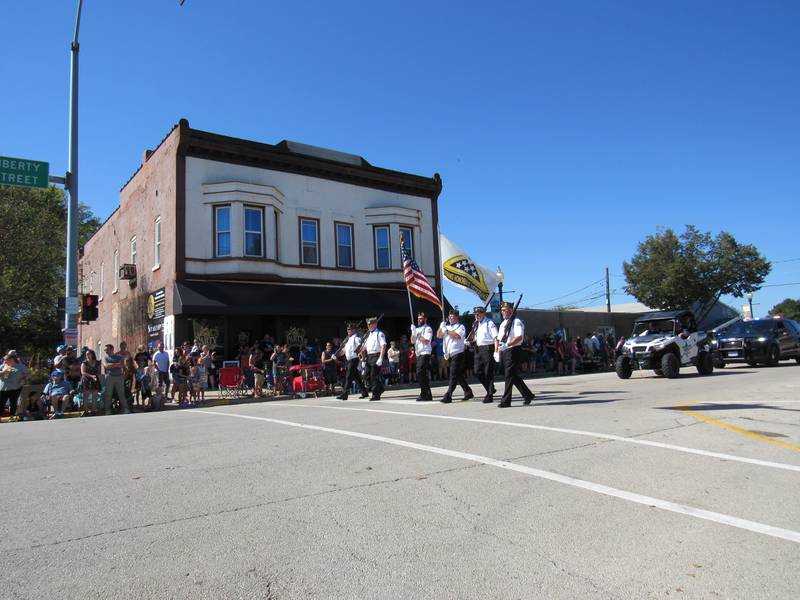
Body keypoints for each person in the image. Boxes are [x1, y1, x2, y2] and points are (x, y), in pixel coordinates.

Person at [495, 302, 535, 408]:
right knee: (512, 375)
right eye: (502, 310)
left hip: (513, 350)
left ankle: (506, 401)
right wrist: (497, 350)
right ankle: (528, 395)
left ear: (511, 310)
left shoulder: (516, 321)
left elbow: (519, 337)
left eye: (505, 309)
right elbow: (499, 339)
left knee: (509, 375)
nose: (502, 312)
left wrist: (507, 344)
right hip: (505, 351)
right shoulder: (503, 323)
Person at [437, 309, 474, 403]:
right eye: (449, 316)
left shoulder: (460, 326)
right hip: (449, 354)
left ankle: (448, 395)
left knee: (453, 374)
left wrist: (447, 330)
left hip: (458, 353)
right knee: (458, 375)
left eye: (452, 316)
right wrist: (441, 327)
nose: (450, 318)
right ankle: (468, 391)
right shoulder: (447, 326)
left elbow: (457, 336)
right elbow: (439, 336)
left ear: (457, 317)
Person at [469, 306, 498, 403]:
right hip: (478, 349)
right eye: (475, 314)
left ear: (483, 314)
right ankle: (490, 388)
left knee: (488, 372)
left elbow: (495, 337)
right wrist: (470, 341)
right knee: (477, 372)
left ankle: (489, 395)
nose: (476, 316)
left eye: (478, 314)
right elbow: (475, 337)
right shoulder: (475, 324)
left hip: (488, 348)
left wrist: (496, 350)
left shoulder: (489, 323)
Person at [336, 323, 368, 400]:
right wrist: (336, 356)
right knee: (356, 377)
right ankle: (364, 392)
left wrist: (363, 359)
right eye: (347, 329)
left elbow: (362, 348)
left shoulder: (356, 338)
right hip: (349, 360)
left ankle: (345, 394)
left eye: (350, 329)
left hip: (354, 359)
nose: (348, 331)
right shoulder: (348, 339)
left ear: (354, 330)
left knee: (348, 376)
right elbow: (344, 351)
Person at [410, 312, 434, 402]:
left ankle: (424, 393)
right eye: (418, 318)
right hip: (418, 353)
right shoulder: (417, 329)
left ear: (425, 319)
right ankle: (428, 394)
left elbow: (426, 341)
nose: (419, 320)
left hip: (425, 352)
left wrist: (417, 335)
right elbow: (412, 341)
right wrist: (413, 332)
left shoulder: (428, 328)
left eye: (421, 318)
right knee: (422, 374)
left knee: (420, 372)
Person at [362, 317, 387, 401]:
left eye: (371, 324)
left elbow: (383, 345)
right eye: (368, 324)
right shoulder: (368, 335)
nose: (369, 326)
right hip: (369, 357)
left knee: (374, 376)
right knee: (366, 375)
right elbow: (364, 348)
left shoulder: (379, 334)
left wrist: (381, 358)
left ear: (375, 324)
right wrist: (363, 359)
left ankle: (375, 395)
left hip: (376, 356)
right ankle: (380, 388)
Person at [101, 344, 129, 415]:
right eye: (105, 350)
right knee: (108, 394)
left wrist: (112, 365)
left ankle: (125, 408)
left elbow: (122, 365)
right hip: (109, 377)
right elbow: (106, 366)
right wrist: (116, 364)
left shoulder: (119, 357)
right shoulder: (105, 358)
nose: (106, 351)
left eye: (107, 349)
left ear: (112, 349)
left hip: (119, 377)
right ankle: (108, 410)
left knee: (121, 394)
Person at [1, 351, 28, 421]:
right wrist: (4, 371)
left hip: (15, 388)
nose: (4, 361)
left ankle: (12, 416)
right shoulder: (2, 366)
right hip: (3, 388)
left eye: (6, 360)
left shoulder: (20, 366)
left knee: (13, 402)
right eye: (4, 360)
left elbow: (27, 373)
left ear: (11, 360)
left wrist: (24, 379)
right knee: (1, 403)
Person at [80, 349, 101, 415]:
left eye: (89, 354)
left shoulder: (97, 363)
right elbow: (83, 372)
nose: (87, 355)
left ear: (92, 354)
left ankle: (93, 410)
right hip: (86, 379)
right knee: (86, 395)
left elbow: (99, 372)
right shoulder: (84, 363)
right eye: (86, 354)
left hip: (95, 379)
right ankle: (86, 411)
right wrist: (91, 376)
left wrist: (96, 378)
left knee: (95, 395)